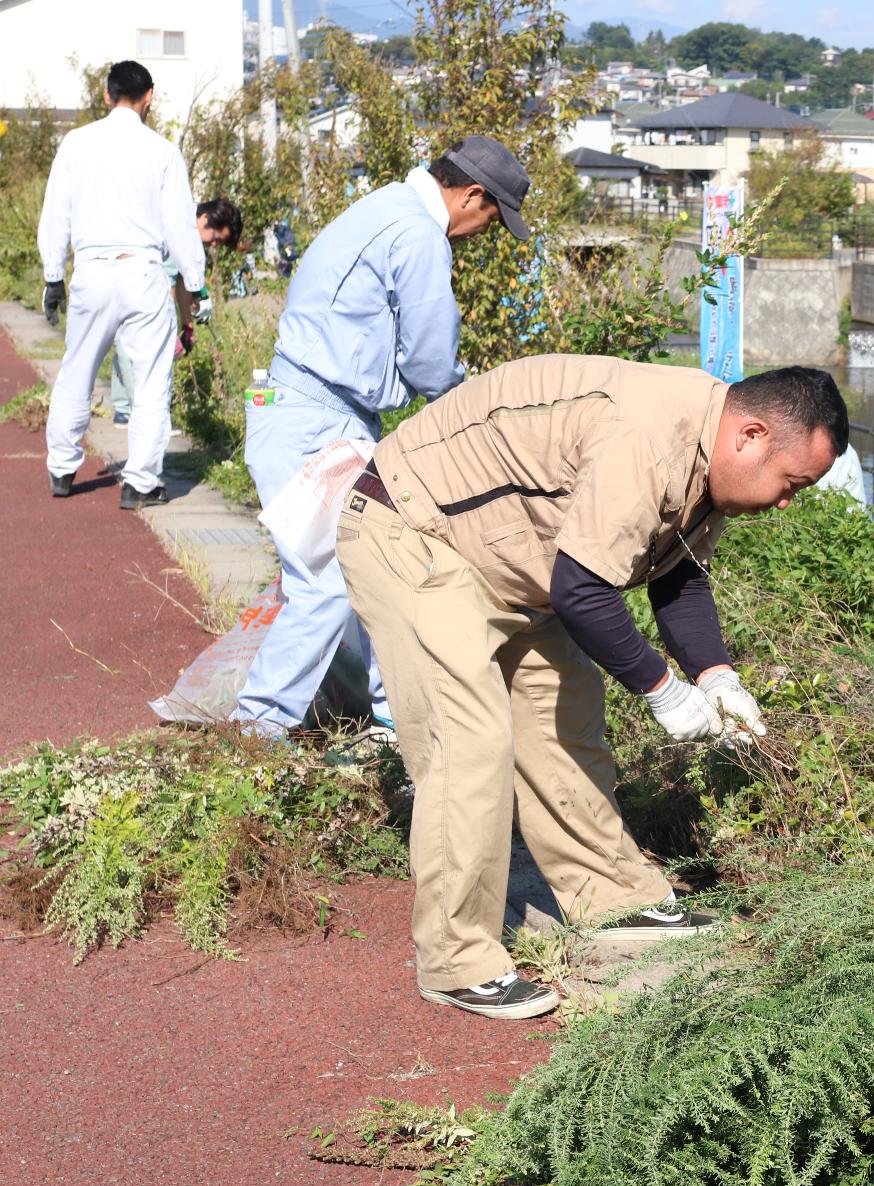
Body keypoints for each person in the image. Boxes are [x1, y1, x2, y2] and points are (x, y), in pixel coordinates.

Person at [337, 358, 847, 1019]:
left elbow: (678, 577)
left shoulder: (709, 455)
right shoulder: (647, 433)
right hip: (411, 528)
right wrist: (664, 690)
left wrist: (717, 674)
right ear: (751, 436)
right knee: (471, 741)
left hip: (510, 561)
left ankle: (612, 897)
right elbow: (581, 591)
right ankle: (455, 959)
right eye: (791, 484)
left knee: (565, 720)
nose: (785, 503)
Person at [229, 135, 532, 743]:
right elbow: (429, 359)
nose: (482, 232)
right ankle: (254, 730)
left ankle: (391, 719)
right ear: (471, 194)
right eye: (492, 218)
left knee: (372, 566)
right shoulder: (419, 234)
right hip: (317, 418)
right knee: (329, 583)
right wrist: (471, 415)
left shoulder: (387, 203)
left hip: (308, 408)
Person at [38, 60, 204, 509]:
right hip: (142, 270)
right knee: (151, 380)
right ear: (149, 95)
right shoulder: (164, 151)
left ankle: (61, 468)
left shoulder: (76, 143)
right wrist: (196, 281)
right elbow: (180, 228)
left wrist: (54, 276)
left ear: (107, 94)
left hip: (91, 269)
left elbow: (56, 214)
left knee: (77, 371)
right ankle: (141, 482)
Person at [106, 198, 242, 426]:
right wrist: (168, 328)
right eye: (217, 238)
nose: (215, 245)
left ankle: (128, 411)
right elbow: (165, 281)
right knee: (130, 348)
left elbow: (180, 283)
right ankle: (142, 415)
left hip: (145, 285)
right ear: (205, 219)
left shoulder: (192, 236)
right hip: (126, 276)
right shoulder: (176, 224)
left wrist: (187, 326)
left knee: (132, 347)